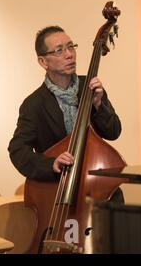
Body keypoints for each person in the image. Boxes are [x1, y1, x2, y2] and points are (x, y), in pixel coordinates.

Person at [8, 26, 122, 186]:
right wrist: (51, 164)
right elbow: (18, 150)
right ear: (43, 61)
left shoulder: (90, 88)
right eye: (59, 50)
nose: (69, 55)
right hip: (57, 188)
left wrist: (98, 104)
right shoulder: (33, 104)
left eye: (70, 47)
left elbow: (113, 132)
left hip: (94, 183)